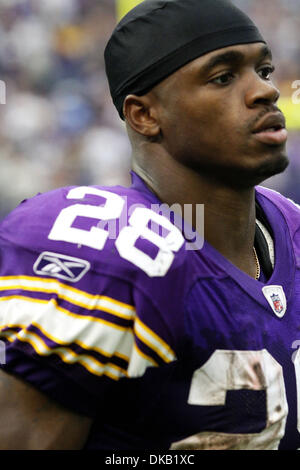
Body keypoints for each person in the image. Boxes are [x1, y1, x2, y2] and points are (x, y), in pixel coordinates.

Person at [0, 0, 298, 450]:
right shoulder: (111, 252)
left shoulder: (292, 231)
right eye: (223, 76)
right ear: (145, 115)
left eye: (264, 70)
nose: (265, 91)